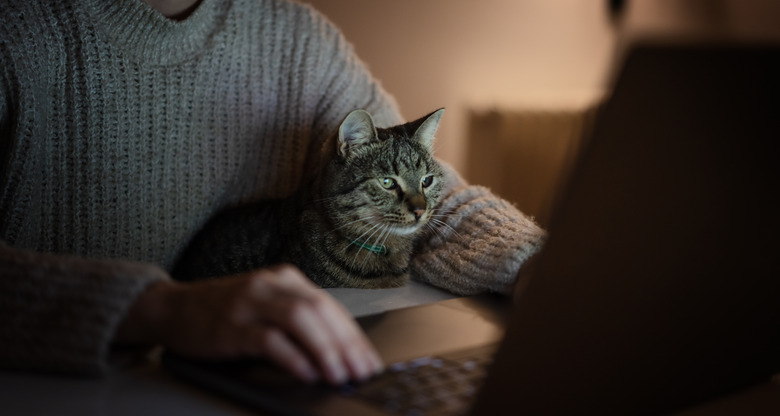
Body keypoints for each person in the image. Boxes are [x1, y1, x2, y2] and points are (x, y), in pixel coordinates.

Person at [0, 0, 545, 384]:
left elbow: (433, 193)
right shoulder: (18, 32)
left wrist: (541, 268)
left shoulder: (299, 40)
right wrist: (156, 309)